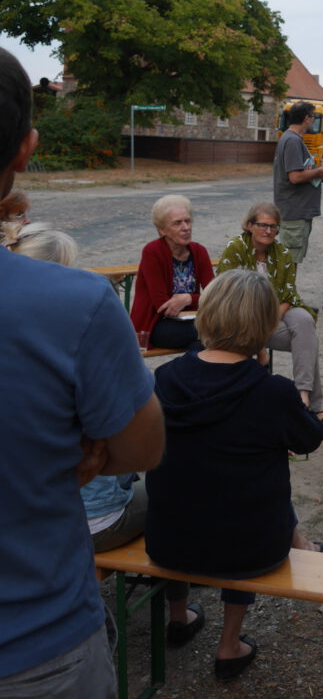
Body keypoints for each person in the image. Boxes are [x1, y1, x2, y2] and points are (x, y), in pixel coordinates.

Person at [0, 47, 165, 699]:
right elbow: (141, 447)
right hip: (36, 650)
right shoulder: (74, 305)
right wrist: (84, 436)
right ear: (26, 148)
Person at [145, 269, 323, 683]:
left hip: (169, 541)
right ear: (264, 325)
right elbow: (310, 438)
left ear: (206, 313)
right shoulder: (272, 392)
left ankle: (179, 615)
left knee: (193, 484)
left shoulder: (166, 378)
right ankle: (229, 645)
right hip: (250, 550)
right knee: (250, 492)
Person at [7, 223, 148, 553]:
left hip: (24, 515)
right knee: (173, 490)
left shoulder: (17, 340)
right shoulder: (80, 338)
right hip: (77, 517)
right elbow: (140, 446)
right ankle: (176, 602)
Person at [217, 201, 323, 424]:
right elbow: (227, 296)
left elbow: (288, 295)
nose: (269, 231)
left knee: (304, 320)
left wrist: (269, 320)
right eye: (263, 225)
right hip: (244, 323)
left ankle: (302, 395)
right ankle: (315, 406)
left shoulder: (281, 251)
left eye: (274, 227)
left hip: (274, 316)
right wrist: (260, 330)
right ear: (249, 225)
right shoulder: (236, 248)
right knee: (307, 340)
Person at [130, 194, 215, 350]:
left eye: (188, 221)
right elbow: (163, 305)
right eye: (177, 223)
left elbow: (215, 295)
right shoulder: (152, 252)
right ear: (162, 230)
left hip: (192, 321)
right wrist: (198, 301)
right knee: (216, 332)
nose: (186, 227)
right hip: (157, 324)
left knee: (201, 344)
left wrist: (188, 298)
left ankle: (187, 373)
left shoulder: (199, 251)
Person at [273, 101, 323, 264]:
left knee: (290, 263)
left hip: (296, 211)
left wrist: (316, 174)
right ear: (306, 118)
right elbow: (295, 177)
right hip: (295, 213)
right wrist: (319, 171)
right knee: (288, 264)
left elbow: (300, 172)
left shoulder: (291, 138)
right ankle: (284, 291)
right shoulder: (292, 141)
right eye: (312, 117)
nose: (313, 121)